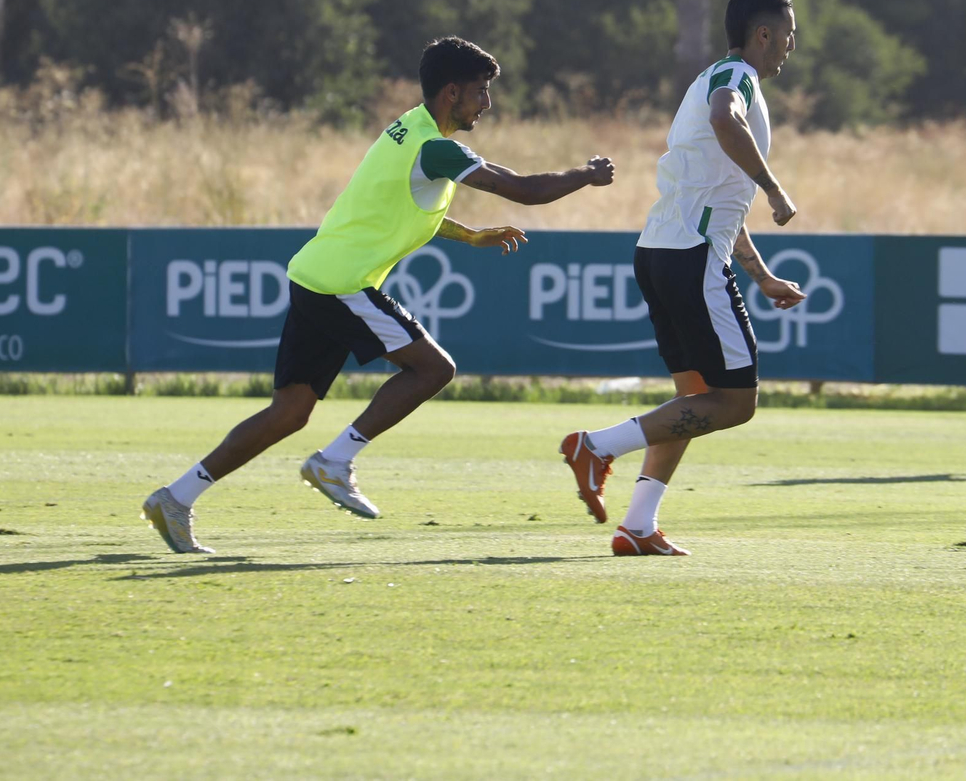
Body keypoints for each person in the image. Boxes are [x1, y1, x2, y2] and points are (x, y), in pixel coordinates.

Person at [142, 37, 616, 554]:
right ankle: (335, 461)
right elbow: (524, 188)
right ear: (452, 92)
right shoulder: (436, 146)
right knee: (434, 369)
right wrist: (586, 175)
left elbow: (406, 206)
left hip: (313, 277)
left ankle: (176, 497)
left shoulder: (406, 128)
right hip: (343, 284)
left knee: (289, 412)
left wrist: (471, 236)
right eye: (481, 92)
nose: (487, 103)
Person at [557, 0, 807, 556]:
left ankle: (638, 526)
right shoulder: (735, 81)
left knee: (690, 402)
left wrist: (761, 274)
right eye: (788, 36)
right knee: (736, 402)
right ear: (763, 34)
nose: (791, 48)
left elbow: (720, 197)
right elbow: (726, 121)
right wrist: (774, 187)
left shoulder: (709, 79)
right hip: (690, 259)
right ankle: (595, 446)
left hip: (661, 252)